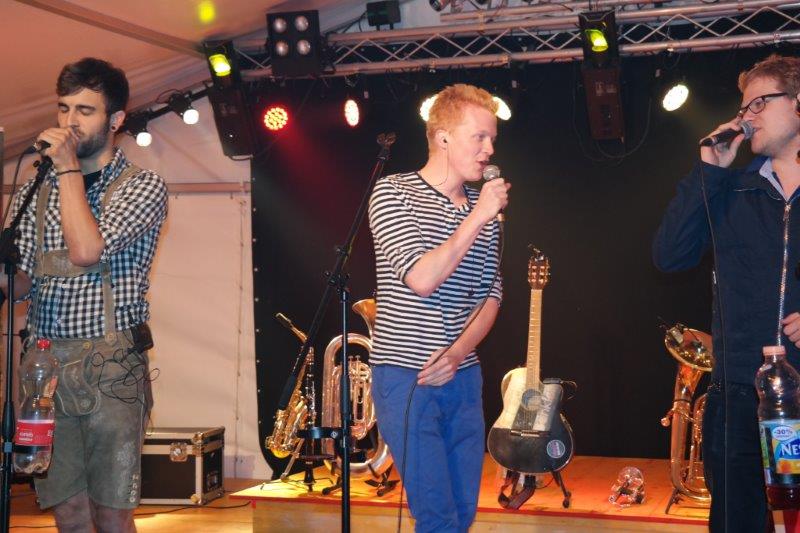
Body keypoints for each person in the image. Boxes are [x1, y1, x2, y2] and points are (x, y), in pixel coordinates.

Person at [3, 57, 168, 532]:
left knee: (111, 514)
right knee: (68, 511)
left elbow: (86, 250)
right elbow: (22, 284)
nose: (69, 121)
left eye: (85, 110)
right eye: (63, 108)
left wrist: (67, 169)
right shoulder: (35, 189)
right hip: (44, 367)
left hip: (111, 368)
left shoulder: (143, 186)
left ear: (115, 119)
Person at [653, 54, 800, 532]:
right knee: (738, 521)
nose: (746, 116)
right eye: (743, 107)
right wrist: (708, 173)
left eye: (760, 103)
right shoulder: (731, 189)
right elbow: (670, 255)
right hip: (739, 394)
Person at [367, 83, 509, 532]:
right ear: (443, 137)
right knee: (437, 517)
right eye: (479, 137)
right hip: (406, 376)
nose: (489, 150)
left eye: (492, 139)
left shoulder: (483, 214)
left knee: (461, 514)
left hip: (462, 377)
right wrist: (478, 217)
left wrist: (456, 353)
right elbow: (422, 278)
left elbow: (491, 297)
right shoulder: (394, 193)